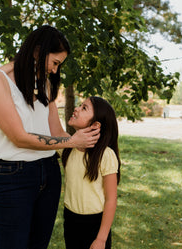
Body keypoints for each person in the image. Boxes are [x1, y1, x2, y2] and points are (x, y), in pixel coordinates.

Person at [0, 25, 100, 249]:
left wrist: (91, 145)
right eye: (55, 63)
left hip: (48, 172)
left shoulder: (44, 83)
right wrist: (72, 142)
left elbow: (57, 133)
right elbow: (19, 138)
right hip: (12, 175)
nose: (55, 71)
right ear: (38, 51)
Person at [61, 96, 121, 249]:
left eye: (84, 108)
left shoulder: (105, 155)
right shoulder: (68, 147)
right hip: (71, 220)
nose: (76, 108)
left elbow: (111, 200)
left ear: (95, 124)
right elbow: (53, 126)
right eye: (80, 105)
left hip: (95, 225)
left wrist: (101, 239)